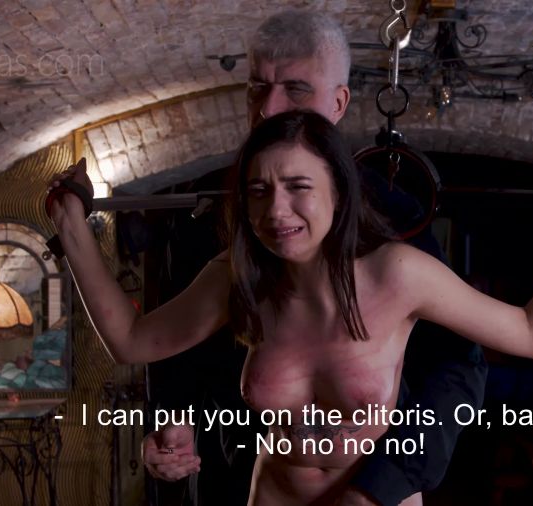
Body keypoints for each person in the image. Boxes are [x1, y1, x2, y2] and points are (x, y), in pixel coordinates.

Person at [50, 109, 533, 505]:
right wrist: (71, 223)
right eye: (258, 192)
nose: (275, 211)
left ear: (338, 189)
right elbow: (131, 340)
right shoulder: (238, 279)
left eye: (298, 187)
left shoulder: (398, 275)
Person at [148, 11, 490, 506]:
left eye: (295, 89)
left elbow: (456, 367)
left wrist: (383, 485)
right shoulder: (213, 215)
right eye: (257, 89)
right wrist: (169, 422)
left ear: (338, 102)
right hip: (237, 477)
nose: (269, 110)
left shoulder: (393, 221)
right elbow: (171, 343)